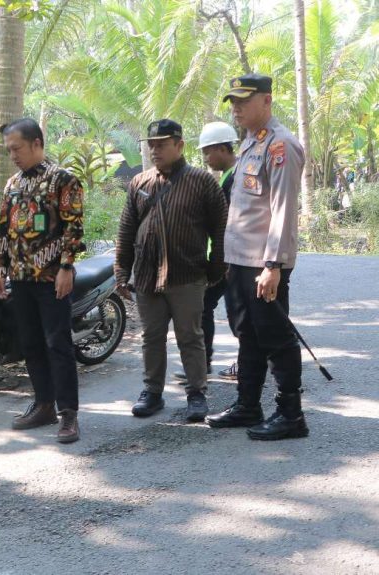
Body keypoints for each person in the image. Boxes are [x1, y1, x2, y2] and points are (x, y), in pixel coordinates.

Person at [206, 73, 309, 440]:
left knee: (275, 336)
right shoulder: (251, 143)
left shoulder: (281, 146)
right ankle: (248, 405)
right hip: (240, 261)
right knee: (247, 333)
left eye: (243, 101)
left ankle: (291, 414)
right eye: (232, 101)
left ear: (266, 100)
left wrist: (273, 266)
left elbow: (282, 210)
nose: (236, 108)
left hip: (264, 264)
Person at [115, 120, 228, 422]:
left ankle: (196, 394)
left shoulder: (203, 182)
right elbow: (126, 231)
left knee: (190, 336)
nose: (155, 150)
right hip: (147, 276)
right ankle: (152, 393)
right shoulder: (139, 183)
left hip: (188, 275)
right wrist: (121, 272)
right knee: (151, 337)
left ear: (179, 145)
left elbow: (221, 230)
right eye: (151, 144)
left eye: (162, 144)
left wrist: (216, 270)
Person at [0, 118, 84, 443]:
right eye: (8, 151)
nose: (13, 155)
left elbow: (73, 228)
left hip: (51, 278)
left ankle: (68, 414)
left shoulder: (63, 180)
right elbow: (4, 230)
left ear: (36, 143)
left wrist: (66, 267)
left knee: (57, 344)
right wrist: (0, 270)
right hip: (20, 277)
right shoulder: (12, 184)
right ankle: (43, 404)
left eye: (16, 148)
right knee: (30, 343)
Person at [175, 121, 240, 382]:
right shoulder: (227, 177)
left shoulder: (236, 178)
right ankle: (203, 362)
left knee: (238, 312)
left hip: (232, 259)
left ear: (223, 149)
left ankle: (245, 362)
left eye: (208, 151)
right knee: (204, 307)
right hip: (221, 258)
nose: (206, 157)